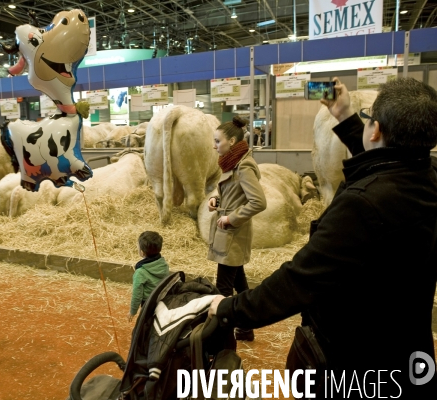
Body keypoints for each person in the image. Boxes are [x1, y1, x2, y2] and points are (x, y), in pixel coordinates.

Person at [209, 77, 437, 397]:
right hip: (406, 354)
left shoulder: (363, 204)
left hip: (354, 364)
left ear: (376, 130)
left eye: (369, 118)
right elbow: (386, 162)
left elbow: (299, 280)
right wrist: (346, 116)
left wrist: (229, 309)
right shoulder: (425, 174)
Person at [207, 116, 266, 342]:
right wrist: (215, 199)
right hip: (228, 232)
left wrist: (232, 218)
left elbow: (258, 202)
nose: (214, 146)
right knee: (239, 283)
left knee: (222, 287)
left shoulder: (244, 166)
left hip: (232, 233)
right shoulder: (233, 162)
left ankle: (221, 336)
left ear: (232, 141)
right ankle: (245, 328)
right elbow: (231, 193)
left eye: (218, 141)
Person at [127, 231, 170, 322]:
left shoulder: (140, 272)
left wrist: (132, 311)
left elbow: (137, 295)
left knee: (146, 326)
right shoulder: (163, 264)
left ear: (142, 253)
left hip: (148, 305)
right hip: (163, 303)